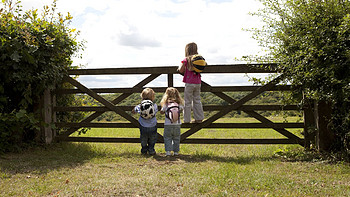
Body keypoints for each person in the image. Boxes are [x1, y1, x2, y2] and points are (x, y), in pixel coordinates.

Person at [178, 42, 204, 123]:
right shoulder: (199, 59)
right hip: (198, 82)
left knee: (187, 101)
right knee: (197, 100)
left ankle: (187, 119)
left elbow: (181, 70)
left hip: (189, 83)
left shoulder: (187, 59)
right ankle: (199, 118)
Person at [132, 88, 158, 155]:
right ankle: (151, 150)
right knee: (153, 138)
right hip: (153, 125)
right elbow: (155, 112)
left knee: (143, 138)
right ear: (152, 97)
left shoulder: (140, 105)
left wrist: (134, 110)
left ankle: (144, 150)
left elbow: (134, 111)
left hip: (143, 125)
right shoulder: (154, 105)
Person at [160, 87, 184, 156]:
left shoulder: (166, 104)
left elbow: (162, 111)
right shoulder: (178, 103)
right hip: (177, 124)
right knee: (176, 138)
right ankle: (176, 152)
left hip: (168, 124)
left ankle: (168, 152)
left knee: (167, 138)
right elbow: (182, 109)